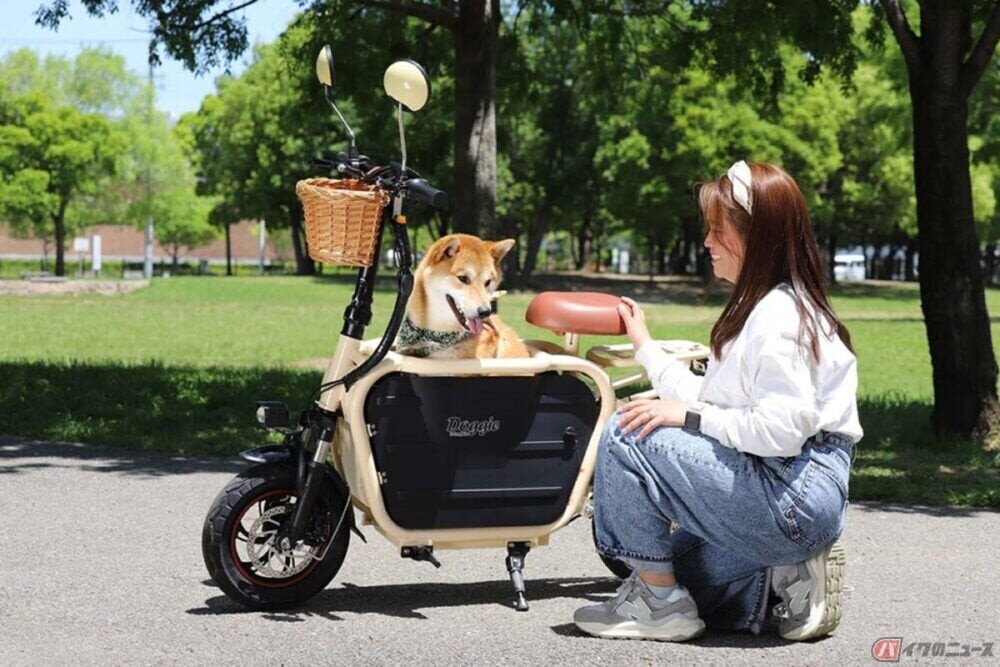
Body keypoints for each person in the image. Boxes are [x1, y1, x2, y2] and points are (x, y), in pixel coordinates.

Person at [573, 161, 862, 643]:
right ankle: (780, 575)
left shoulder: (778, 319)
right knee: (644, 560)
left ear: (757, 237)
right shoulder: (768, 309)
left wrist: (689, 417)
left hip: (790, 492)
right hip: (786, 493)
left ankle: (660, 606)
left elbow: (781, 431)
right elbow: (710, 398)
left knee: (626, 433)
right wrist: (645, 347)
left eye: (716, 230)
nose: (706, 242)